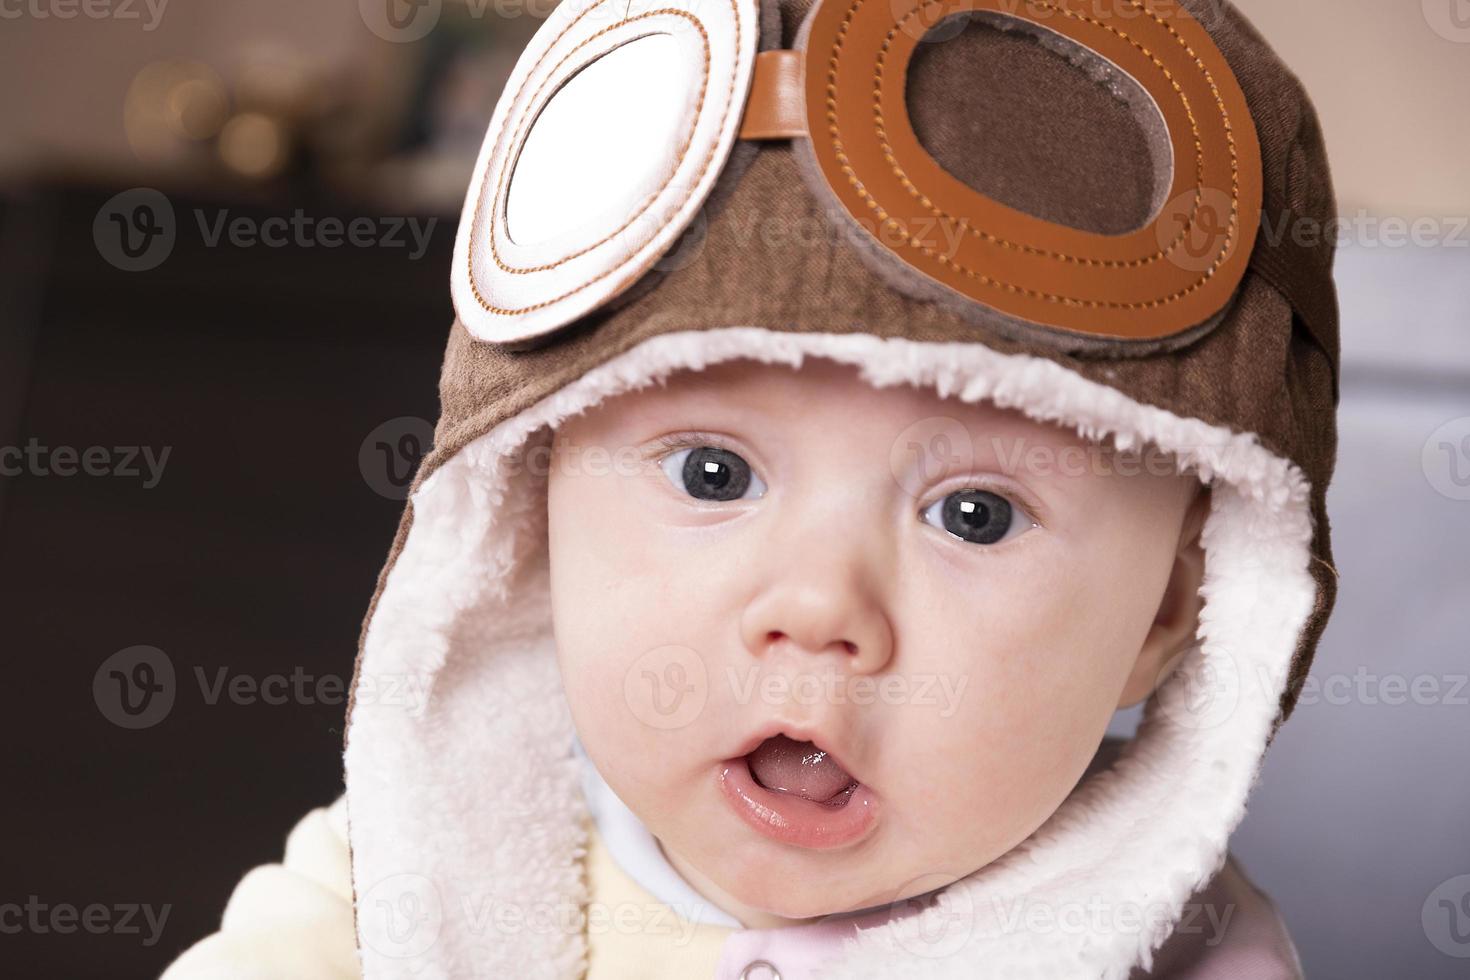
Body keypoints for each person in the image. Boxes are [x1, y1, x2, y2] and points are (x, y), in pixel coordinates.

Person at [163, 0, 1339, 976]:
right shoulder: (398, 882)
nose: (819, 607)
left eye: (974, 513)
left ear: (1173, 610)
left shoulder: (1184, 953)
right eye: (713, 472)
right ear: (532, 506)